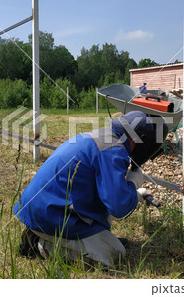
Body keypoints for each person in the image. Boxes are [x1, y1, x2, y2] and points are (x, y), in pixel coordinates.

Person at [13, 111, 168, 268]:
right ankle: (39, 244)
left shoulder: (106, 137)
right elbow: (118, 208)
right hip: (49, 215)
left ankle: (69, 238)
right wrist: (133, 183)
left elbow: (107, 189)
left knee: (105, 231)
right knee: (114, 254)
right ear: (138, 140)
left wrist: (135, 195)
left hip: (46, 206)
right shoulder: (113, 151)